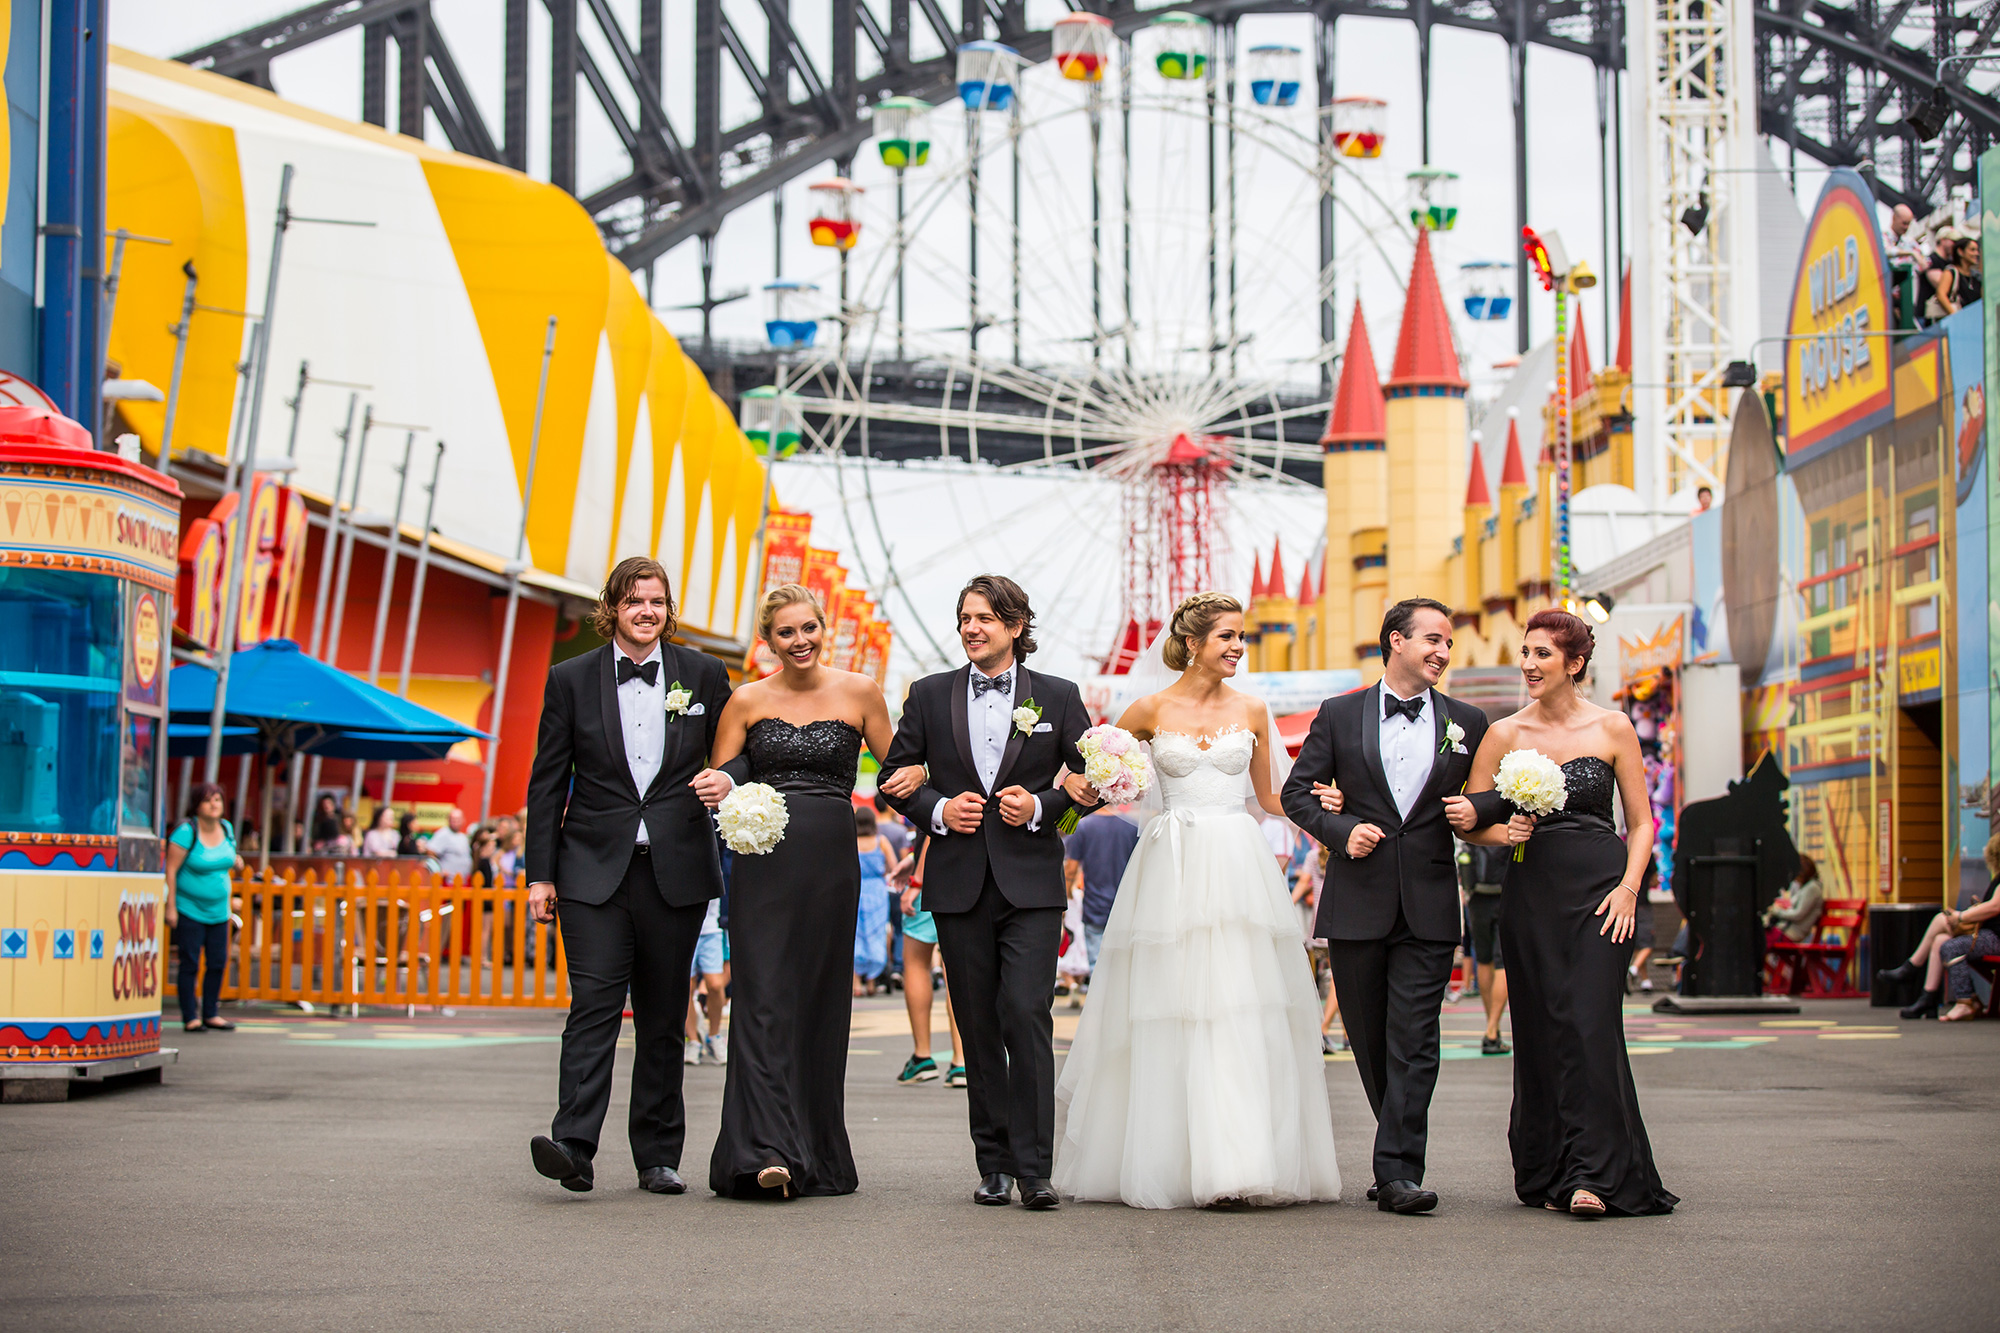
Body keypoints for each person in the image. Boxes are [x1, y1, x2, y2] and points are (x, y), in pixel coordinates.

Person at [1054, 593, 1342, 1209]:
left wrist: (1329, 824)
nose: (1239, 647)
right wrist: (1076, 792)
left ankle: (1237, 1162)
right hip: (1171, 862)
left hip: (1236, 861)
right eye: (1228, 637)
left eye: (1243, 638)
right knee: (1168, 1003)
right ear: (1192, 644)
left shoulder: (1254, 708)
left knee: (1240, 1003)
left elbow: (1271, 799)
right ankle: (1170, 1158)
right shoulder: (1148, 708)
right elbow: (1089, 774)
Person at [877, 573, 1094, 1211]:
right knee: (975, 1024)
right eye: (964, 618)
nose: (971, 628)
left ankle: (1035, 1171)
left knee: (1026, 1016)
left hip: (1031, 882)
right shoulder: (927, 693)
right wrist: (939, 810)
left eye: (985, 619)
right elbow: (894, 775)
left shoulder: (1059, 694)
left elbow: (1095, 781)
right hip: (957, 881)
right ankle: (992, 1163)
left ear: (1015, 627)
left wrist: (1044, 806)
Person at [1458, 608, 1678, 1218]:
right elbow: (1473, 825)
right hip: (1532, 899)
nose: (1528, 664)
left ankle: (1594, 1175)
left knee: (1590, 1024)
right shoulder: (1503, 734)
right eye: (1524, 653)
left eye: (1541, 654)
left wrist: (1631, 889)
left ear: (1574, 663)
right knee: (1542, 1029)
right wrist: (1506, 831)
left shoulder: (1614, 728)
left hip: (1604, 895)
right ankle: (1550, 1166)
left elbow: (1641, 823)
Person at [525, 555, 732, 1197]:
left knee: (665, 1015)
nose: (647, 611)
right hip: (590, 872)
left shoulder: (702, 673)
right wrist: (540, 875)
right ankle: (574, 1147)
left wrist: (729, 776)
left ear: (669, 611)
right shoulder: (570, 680)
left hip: (676, 870)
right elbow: (546, 784)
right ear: (611, 607)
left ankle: (658, 1157)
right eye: (635, 600)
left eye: (658, 601)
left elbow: (741, 744)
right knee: (592, 1006)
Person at [1282, 597, 1490, 1215]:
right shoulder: (1340, 714)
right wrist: (1341, 830)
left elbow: (1491, 799)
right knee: (1370, 1039)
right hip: (1357, 900)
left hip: (1428, 901)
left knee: (1415, 1039)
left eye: (1449, 643)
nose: (1443, 652)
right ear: (1396, 641)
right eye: (1433, 639)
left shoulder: (1469, 721)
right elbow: (1297, 793)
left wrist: (1479, 813)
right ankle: (1392, 1144)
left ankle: (1399, 1168)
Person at [693, 582, 897, 1199]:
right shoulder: (745, 701)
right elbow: (723, 774)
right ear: (768, 640)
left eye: (809, 628)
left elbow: (897, 774)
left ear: (823, 627)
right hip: (762, 866)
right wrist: (718, 783)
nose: (800, 640)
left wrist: (934, 802)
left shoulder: (862, 692)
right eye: (786, 632)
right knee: (761, 998)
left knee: (819, 1003)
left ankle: (817, 1150)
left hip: (833, 869)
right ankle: (765, 1151)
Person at [1878, 834, 2000, 1021]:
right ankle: (1928, 997)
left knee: (1948, 939)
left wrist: (1961, 916)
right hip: (1990, 935)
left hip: (1996, 938)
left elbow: (1995, 906)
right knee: (1940, 939)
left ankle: (1964, 1001)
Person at [164, 783, 242, 1033]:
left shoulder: (227, 828)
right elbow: (171, 869)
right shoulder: (187, 832)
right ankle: (190, 1016)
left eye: (218, 799)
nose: (214, 804)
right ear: (196, 805)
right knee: (190, 962)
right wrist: (171, 906)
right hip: (189, 908)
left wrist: (237, 861)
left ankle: (211, 1013)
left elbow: (229, 856)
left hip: (219, 909)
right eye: (208, 800)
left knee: (218, 961)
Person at [896, 840, 967, 1087]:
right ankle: (962, 1059)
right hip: (967, 877)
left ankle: (923, 1056)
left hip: (933, 876)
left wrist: (917, 880)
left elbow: (932, 832)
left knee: (916, 962)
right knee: (959, 967)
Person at [1062, 806, 1140, 974]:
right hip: (1126, 906)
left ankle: (1098, 998)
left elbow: (1070, 869)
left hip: (1094, 905)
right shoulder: (1132, 827)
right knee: (1123, 962)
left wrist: (1066, 900)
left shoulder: (1083, 827)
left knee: (1096, 964)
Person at [1464, 841, 1511, 1054]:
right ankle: (1492, 1029)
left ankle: (1492, 1025)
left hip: (1477, 895)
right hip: (1505, 892)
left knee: (1483, 959)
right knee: (1503, 962)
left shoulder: (1479, 811)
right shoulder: (1510, 813)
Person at [853, 805, 904, 996]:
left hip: (857, 890)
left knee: (856, 935)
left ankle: (857, 983)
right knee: (876, 934)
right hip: (877, 892)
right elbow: (894, 866)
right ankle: (872, 982)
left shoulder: (851, 841)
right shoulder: (880, 841)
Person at [685, 892, 728, 1065]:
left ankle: (714, 1035)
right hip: (686, 926)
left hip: (711, 928)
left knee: (715, 985)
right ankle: (694, 1041)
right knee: (687, 986)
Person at [1764, 853, 1823, 946]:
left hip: (1790, 933)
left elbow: (1798, 914)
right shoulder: (1806, 887)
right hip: (1785, 930)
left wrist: (1776, 911)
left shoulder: (1812, 888)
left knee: (1757, 938)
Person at [426, 807, 475, 880]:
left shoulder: (463, 837)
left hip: (462, 881)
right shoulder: (443, 834)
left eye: (458, 819)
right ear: (448, 820)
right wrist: (438, 870)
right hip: (448, 881)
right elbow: (431, 851)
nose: (455, 822)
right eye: (453, 820)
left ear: (463, 820)